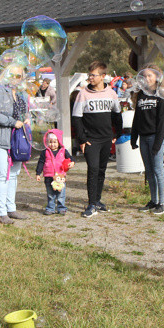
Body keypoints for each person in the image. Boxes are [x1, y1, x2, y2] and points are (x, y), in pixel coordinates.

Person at [72, 61, 122, 218]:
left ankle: (98, 200)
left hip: (106, 139)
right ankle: (91, 203)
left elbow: (117, 115)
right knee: (92, 170)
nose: (90, 78)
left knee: (101, 170)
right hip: (91, 140)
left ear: (103, 76)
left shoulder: (112, 93)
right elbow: (76, 118)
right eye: (89, 75)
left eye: (93, 75)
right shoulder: (83, 94)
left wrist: (116, 134)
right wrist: (81, 139)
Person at [0, 62, 31, 225]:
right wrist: (12, 122)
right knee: (2, 174)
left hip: (16, 140)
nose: (17, 79)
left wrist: (26, 119)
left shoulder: (21, 94)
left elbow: (26, 112)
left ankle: (11, 208)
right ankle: (1, 212)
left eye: (20, 76)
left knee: (14, 174)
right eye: (14, 75)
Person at [130, 67, 164, 214]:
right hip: (143, 137)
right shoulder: (140, 95)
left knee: (158, 170)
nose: (147, 78)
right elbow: (137, 118)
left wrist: (158, 144)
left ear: (157, 77)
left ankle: (163, 203)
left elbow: (162, 122)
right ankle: (154, 200)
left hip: (155, 137)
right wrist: (133, 137)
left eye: (150, 75)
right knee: (149, 171)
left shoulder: (161, 95)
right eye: (144, 76)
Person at [35, 128, 73, 215]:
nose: (52, 144)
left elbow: (70, 158)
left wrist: (72, 162)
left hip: (61, 176)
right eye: (50, 142)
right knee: (50, 194)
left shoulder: (63, 151)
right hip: (49, 176)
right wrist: (38, 173)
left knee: (61, 193)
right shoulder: (45, 152)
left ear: (59, 142)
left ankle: (61, 207)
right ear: (47, 142)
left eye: (55, 142)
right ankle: (50, 208)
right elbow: (41, 163)